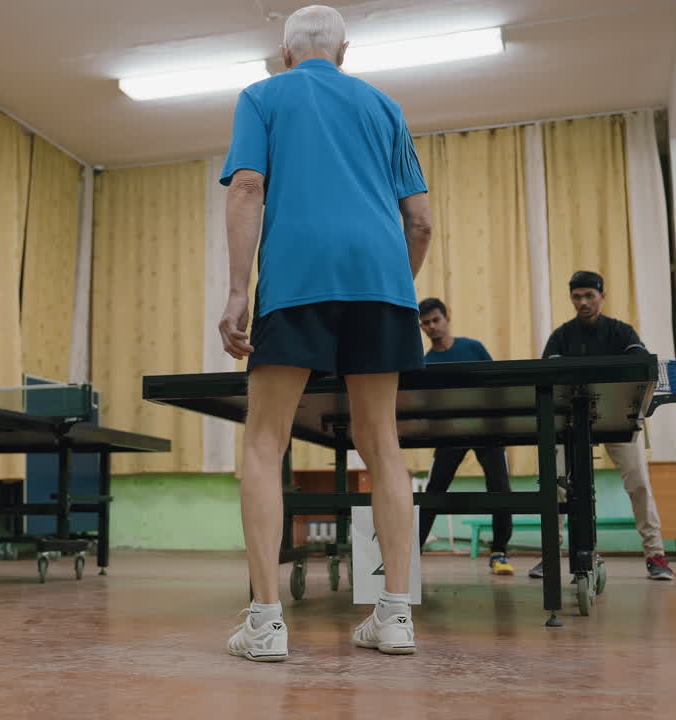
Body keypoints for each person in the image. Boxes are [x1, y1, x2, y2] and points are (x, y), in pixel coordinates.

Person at [217, 5, 432, 661]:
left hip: (298, 279)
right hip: (381, 282)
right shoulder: (385, 107)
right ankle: (394, 615)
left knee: (264, 441)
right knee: (382, 442)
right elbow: (418, 221)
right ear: (345, 51)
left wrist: (235, 291)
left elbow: (248, 187)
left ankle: (266, 623)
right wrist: (396, 281)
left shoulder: (262, 96)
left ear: (285, 54)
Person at [527, 271, 676, 581]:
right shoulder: (561, 336)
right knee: (555, 484)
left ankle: (656, 555)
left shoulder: (622, 333)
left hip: (619, 418)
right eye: (577, 296)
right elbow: (547, 377)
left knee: (639, 483)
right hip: (571, 422)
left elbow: (639, 367)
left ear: (601, 297)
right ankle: (551, 556)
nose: (583, 302)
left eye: (589, 296)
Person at [416, 298, 515, 575]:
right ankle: (412, 553)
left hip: (486, 430)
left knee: (500, 490)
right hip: (450, 434)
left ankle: (499, 553)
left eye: (435, 320)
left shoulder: (473, 348)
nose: (431, 327)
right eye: (425, 323)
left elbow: (496, 385)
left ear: (447, 317)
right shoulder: (425, 362)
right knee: (434, 492)